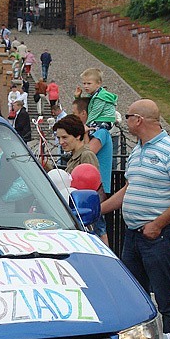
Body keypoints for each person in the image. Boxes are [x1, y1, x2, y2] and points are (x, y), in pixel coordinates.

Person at [101, 99, 170, 339]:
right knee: (134, 298)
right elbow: (129, 190)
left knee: (166, 300)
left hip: (158, 235)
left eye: (128, 116)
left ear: (139, 120)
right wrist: (97, 209)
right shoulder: (137, 151)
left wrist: (158, 223)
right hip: (134, 235)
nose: (125, 121)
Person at [72, 97, 113, 245]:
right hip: (91, 187)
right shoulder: (92, 132)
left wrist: (83, 135)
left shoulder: (101, 132)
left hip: (96, 187)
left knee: (98, 227)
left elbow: (89, 151)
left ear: (84, 114)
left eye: (75, 114)